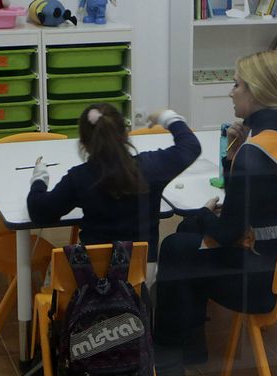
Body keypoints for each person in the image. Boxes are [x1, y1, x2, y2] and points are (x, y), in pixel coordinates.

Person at [153, 49, 277, 376]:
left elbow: (227, 234)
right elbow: (262, 204)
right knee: (190, 234)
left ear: (256, 92)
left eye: (237, 84)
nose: (231, 91)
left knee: (176, 247)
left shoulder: (256, 152)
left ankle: (167, 357)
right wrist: (230, 161)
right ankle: (190, 342)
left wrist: (202, 213)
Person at [26, 103, 199, 262]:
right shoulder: (150, 167)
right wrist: (167, 116)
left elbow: (40, 212)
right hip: (143, 272)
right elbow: (190, 146)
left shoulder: (79, 178)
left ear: (84, 143)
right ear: (125, 135)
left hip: (92, 277)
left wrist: (39, 178)